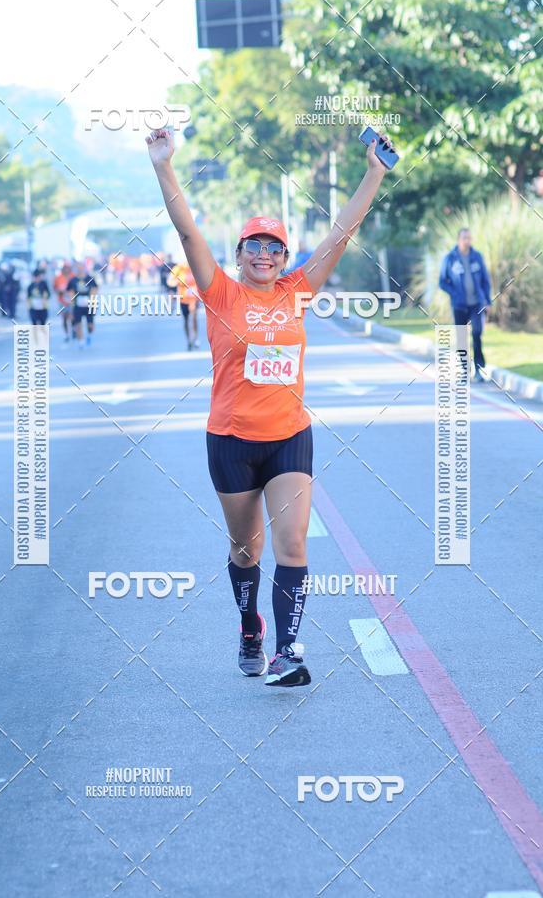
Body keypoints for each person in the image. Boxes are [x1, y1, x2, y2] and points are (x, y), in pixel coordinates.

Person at [147, 126, 393, 687]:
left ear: (284, 257)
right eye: (254, 246)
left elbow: (341, 232)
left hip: (288, 437)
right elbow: (187, 232)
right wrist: (164, 164)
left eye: (273, 247)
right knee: (245, 550)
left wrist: (374, 172)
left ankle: (287, 651)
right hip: (231, 441)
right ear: (238, 255)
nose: (264, 254)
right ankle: (249, 628)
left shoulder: (296, 291)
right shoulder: (219, 292)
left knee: (293, 542)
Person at [439, 228, 491, 382]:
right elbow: (442, 282)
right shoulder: (450, 258)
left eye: (469, 238)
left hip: (476, 304)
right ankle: (464, 370)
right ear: (458, 239)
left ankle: (479, 369)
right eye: (464, 238)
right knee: (462, 337)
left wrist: (487, 301)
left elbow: (485, 281)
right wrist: (455, 293)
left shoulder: (477, 257)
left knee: (477, 333)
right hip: (459, 305)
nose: (467, 241)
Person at [167, 260, 200, 349]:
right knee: (186, 320)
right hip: (183, 299)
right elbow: (169, 281)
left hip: (194, 298)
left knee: (194, 318)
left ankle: (195, 338)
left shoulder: (195, 266)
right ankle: (189, 340)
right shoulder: (178, 268)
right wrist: (177, 282)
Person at [67, 263, 98, 349]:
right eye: (78, 268)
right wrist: (72, 304)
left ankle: (89, 335)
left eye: (81, 268)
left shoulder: (90, 279)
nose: (80, 270)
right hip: (77, 305)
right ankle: (81, 341)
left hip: (89, 304)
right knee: (78, 324)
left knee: (90, 325)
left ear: (84, 268)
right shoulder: (73, 280)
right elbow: (70, 292)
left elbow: (95, 289)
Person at [54, 262, 73, 341]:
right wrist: (60, 291)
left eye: (67, 268)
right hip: (62, 301)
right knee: (65, 318)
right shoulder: (58, 278)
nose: (66, 270)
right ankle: (66, 334)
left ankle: (74, 330)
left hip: (72, 301)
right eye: (64, 268)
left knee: (72, 317)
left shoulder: (73, 276)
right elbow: (55, 288)